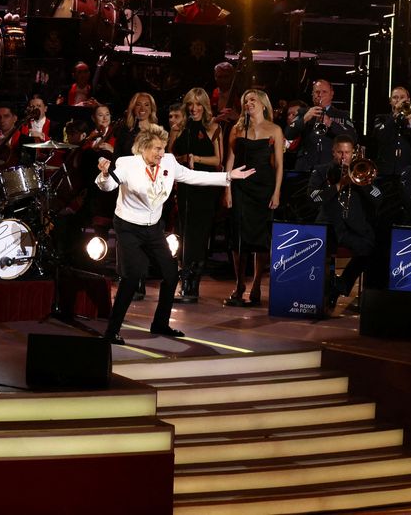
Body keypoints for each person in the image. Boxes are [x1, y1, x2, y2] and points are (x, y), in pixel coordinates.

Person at [97, 124, 254, 344]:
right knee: (132, 276)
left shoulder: (168, 161)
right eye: (157, 149)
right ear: (143, 147)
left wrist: (227, 176)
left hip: (153, 227)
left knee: (171, 274)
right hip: (128, 226)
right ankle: (112, 331)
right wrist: (104, 174)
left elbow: (191, 176)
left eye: (163, 148)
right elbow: (108, 186)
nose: (162, 153)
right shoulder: (126, 163)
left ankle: (160, 323)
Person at [223, 89, 284, 307]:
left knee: (260, 237)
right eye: (245, 100)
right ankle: (239, 284)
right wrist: (227, 188)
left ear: (263, 104)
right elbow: (229, 161)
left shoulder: (275, 130)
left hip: (263, 187)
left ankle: (257, 284)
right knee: (238, 235)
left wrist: (276, 191)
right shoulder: (237, 129)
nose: (248, 103)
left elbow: (278, 165)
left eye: (252, 100)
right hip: (240, 186)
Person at [309, 135, 381, 309]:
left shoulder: (362, 171)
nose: (343, 157)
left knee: (371, 248)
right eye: (340, 152)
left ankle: (341, 285)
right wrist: (338, 185)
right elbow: (313, 198)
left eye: (347, 152)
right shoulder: (321, 171)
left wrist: (362, 182)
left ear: (353, 153)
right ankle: (326, 290)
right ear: (333, 152)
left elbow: (378, 198)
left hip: (353, 228)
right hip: (328, 227)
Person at [169, 88, 224, 303]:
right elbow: (170, 155)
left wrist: (196, 158)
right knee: (184, 232)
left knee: (198, 236)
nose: (194, 108)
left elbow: (218, 161)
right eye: (191, 104)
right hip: (184, 188)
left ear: (205, 106)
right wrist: (182, 158)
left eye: (198, 104)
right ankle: (184, 282)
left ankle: (193, 286)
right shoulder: (178, 128)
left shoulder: (213, 128)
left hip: (205, 188)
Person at [285, 79, 356, 172]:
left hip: (330, 167)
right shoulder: (302, 112)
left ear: (332, 94)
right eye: (317, 92)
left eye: (324, 92)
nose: (320, 95)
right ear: (312, 94)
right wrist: (305, 118)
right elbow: (288, 134)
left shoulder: (342, 115)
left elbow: (352, 138)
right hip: (305, 167)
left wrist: (331, 123)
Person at [374, 86, 411, 180]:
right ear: (390, 101)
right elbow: (380, 137)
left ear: (408, 100)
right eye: (395, 97)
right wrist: (394, 115)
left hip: (409, 171)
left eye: (402, 97)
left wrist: (410, 119)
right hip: (385, 172)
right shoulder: (380, 118)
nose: (398, 100)